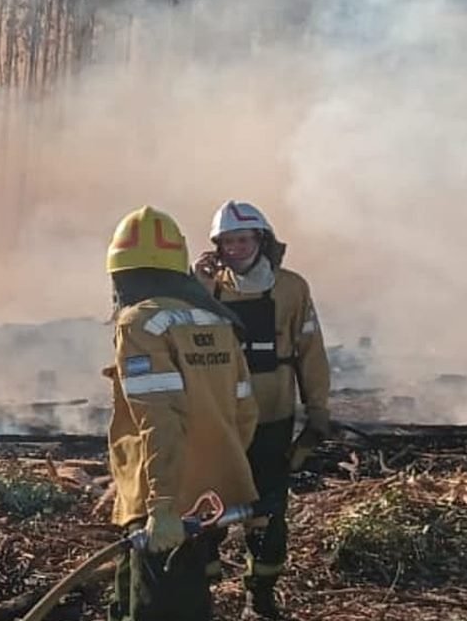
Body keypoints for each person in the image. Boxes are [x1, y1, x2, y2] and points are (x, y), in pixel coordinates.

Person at [104, 205, 260, 621]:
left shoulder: (140, 323)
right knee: (184, 600)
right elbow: (245, 410)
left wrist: (163, 505)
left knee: (158, 608)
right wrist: (216, 468)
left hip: (163, 503)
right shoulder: (216, 320)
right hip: (208, 496)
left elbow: (160, 418)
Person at [194, 200, 332, 620]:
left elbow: (310, 350)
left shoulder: (291, 289)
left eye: (243, 240)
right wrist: (195, 288)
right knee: (207, 505)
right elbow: (186, 343)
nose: (235, 249)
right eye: (227, 242)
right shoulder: (206, 287)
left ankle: (260, 596)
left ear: (262, 240)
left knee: (267, 511)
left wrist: (317, 411)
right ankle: (201, 593)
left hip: (273, 416)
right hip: (219, 419)